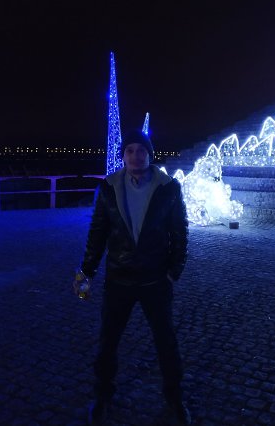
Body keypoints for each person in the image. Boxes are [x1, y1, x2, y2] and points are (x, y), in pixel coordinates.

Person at [75, 129, 190, 425]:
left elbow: (179, 231)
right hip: (119, 279)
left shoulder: (168, 187)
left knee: (166, 342)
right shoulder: (109, 187)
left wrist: (173, 271)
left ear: (149, 154)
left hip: (155, 280)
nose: (135, 156)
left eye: (141, 150)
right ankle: (102, 396)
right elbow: (98, 232)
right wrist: (86, 271)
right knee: (108, 342)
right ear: (123, 155)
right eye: (130, 151)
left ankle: (174, 398)